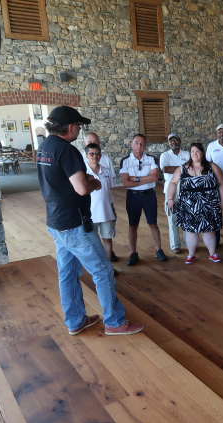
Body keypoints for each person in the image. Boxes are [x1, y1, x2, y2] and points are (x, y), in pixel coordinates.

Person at [37, 105, 143, 336]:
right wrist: (95, 183)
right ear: (71, 127)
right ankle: (114, 322)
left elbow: (61, 180)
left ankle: (75, 321)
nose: (79, 130)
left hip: (56, 222)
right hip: (74, 224)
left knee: (67, 273)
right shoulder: (67, 150)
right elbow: (82, 188)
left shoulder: (44, 147)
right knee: (103, 270)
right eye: (79, 126)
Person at [167, 143, 223, 263]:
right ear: (190, 153)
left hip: (209, 204)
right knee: (190, 230)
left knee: (209, 229)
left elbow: (221, 183)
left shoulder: (212, 166)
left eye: (197, 151)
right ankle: (191, 254)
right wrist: (170, 199)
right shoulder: (182, 168)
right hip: (188, 205)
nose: (195, 154)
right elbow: (173, 183)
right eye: (192, 151)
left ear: (202, 153)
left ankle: (212, 254)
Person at [120, 134, 168, 265]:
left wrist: (134, 178)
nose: (139, 146)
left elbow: (154, 178)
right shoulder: (125, 161)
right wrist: (144, 178)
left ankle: (159, 250)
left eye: (142, 143)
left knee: (153, 223)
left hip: (149, 195)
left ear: (145, 145)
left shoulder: (151, 159)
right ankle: (133, 252)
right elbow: (125, 183)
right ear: (131, 144)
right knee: (132, 225)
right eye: (136, 143)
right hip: (133, 196)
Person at [82, 132, 118, 262]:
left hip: (106, 211)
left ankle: (108, 266)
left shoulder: (106, 171)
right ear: (86, 156)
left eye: (97, 153)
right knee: (91, 240)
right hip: (90, 212)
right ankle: (96, 266)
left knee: (107, 239)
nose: (94, 156)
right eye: (91, 154)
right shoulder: (83, 174)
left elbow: (109, 189)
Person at [159, 133, 190, 254]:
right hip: (170, 189)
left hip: (186, 188)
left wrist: (177, 168)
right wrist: (183, 167)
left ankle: (188, 243)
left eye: (175, 140)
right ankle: (175, 245)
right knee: (172, 217)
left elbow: (191, 168)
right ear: (168, 143)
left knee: (187, 216)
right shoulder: (164, 155)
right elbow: (165, 169)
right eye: (171, 140)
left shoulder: (187, 154)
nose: (173, 142)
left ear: (180, 141)